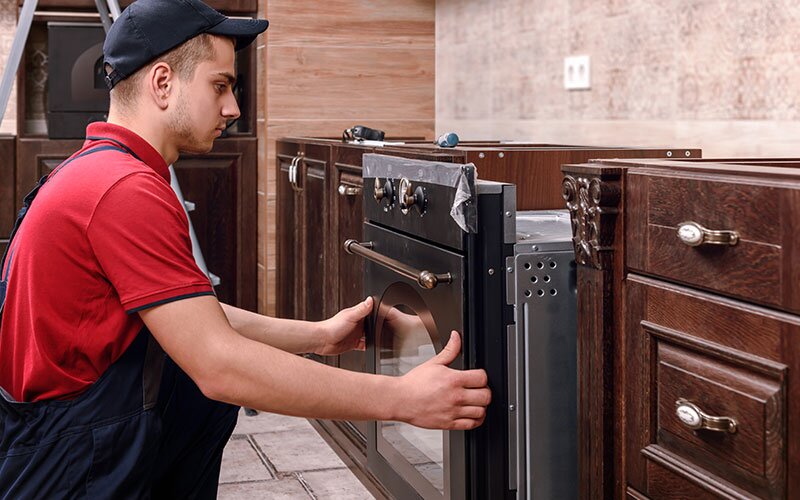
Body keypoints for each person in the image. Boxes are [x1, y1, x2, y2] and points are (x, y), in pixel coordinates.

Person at [0, 0, 491, 497]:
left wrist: (320, 336)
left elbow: (191, 319)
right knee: (207, 382)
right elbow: (218, 363)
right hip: (66, 464)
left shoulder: (101, 171)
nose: (233, 108)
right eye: (220, 85)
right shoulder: (122, 190)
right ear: (163, 83)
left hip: (64, 438)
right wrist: (400, 397)